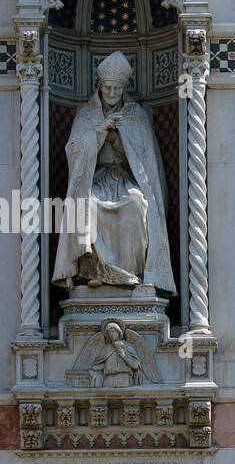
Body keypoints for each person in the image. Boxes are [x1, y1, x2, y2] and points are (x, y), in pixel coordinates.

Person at [53, 51, 176, 294]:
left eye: (116, 89)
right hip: (95, 180)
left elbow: (146, 164)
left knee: (138, 204)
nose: (111, 93)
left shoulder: (137, 116)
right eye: (107, 88)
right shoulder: (86, 115)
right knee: (86, 204)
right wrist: (99, 132)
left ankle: (134, 274)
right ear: (100, 86)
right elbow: (73, 153)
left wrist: (121, 137)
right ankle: (94, 271)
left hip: (124, 180)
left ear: (124, 87)